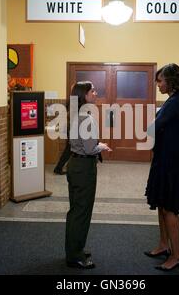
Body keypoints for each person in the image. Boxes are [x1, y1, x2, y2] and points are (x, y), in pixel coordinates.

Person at [144, 63, 179, 271]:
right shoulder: (171, 101)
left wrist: (151, 124)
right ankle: (164, 245)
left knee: (170, 207)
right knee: (162, 203)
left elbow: (153, 127)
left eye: (160, 81)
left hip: (172, 161)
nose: (158, 84)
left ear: (171, 81)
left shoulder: (176, 102)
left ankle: (177, 254)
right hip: (164, 158)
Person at [65, 81, 112, 269]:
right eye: (92, 91)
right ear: (85, 95)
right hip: (84, 167)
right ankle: (75, 255)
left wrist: (96, 145)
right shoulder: (86, 117)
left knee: (75, 210)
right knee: (81, 212)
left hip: (75, 164)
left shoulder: (75, 113)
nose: (96, 92)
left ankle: (74, 249)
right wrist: (103, 145)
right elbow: (91, 147)